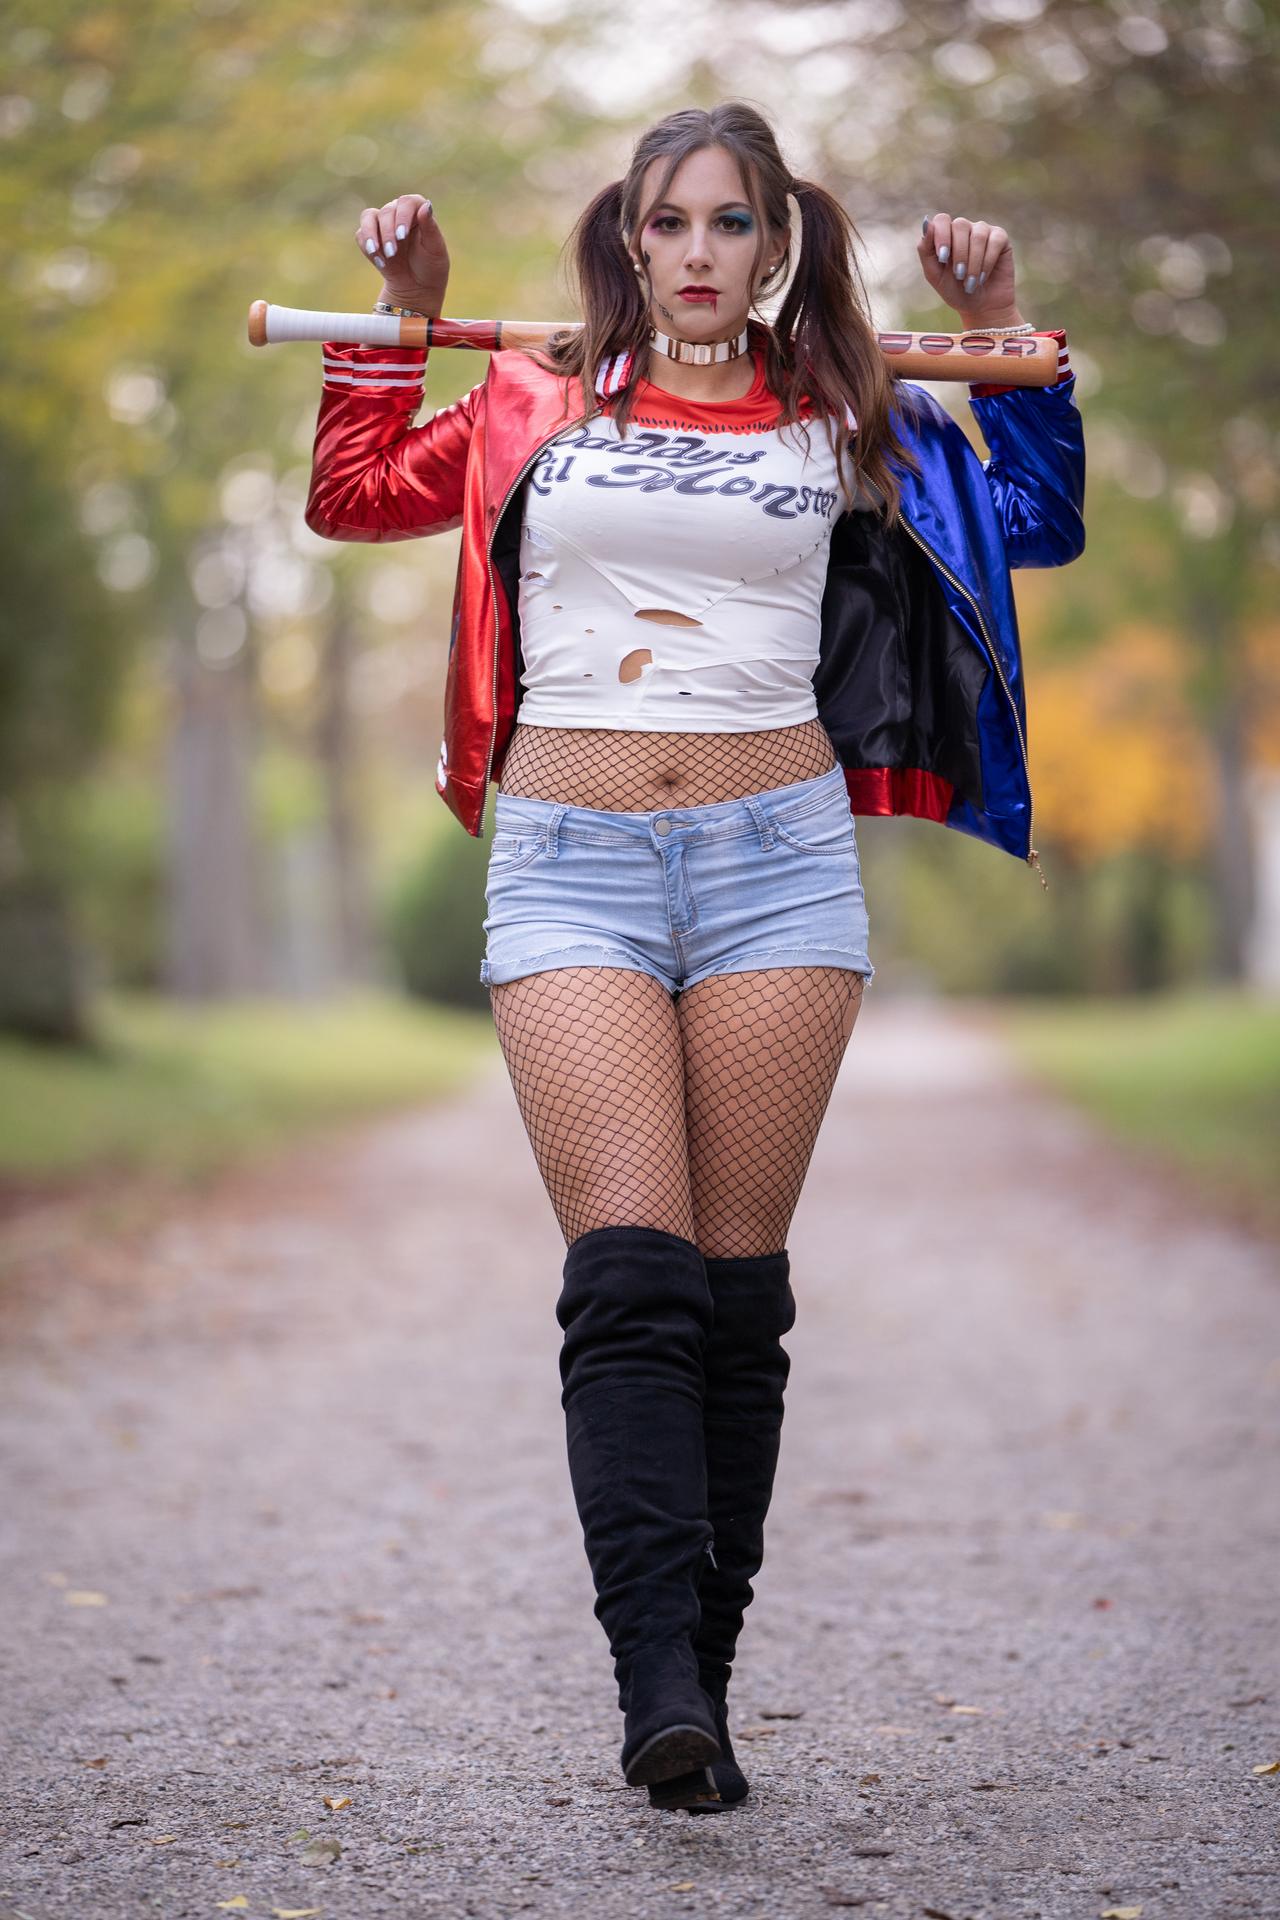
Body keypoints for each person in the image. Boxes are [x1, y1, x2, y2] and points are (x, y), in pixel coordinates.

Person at [305, 101, 1085, 1814]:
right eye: (668, 223)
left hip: (774, 873)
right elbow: (352, 497)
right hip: (571, 865)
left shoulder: (853, 413)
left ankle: (700, 1689)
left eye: (732, 222)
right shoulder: (536, 401)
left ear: (777, 243)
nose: (700, 252)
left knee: (736, 1301)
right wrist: (398, 319)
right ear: (627, 242)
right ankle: (652, 1677)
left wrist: (1006, 326)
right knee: (629, 1283)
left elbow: (1035, 515)